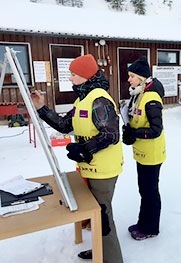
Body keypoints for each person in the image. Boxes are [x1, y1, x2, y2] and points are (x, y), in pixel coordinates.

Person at [31, 54, 124, 263]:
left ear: (85, 75)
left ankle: (112, 259)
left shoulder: (99, 99)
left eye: (73, 75)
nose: (70, 79)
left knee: (103, 217)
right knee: (96, 216)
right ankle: (101, 250)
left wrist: (84, 149)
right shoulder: (83, 98)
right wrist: (42, 109)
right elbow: (65, 125)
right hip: (90, 167)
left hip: (103, 170)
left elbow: (111, 134)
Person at [122, 56, 166, 240]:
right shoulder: (139, 95)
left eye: (132, 76)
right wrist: (128, 128)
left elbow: (156, 130)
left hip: (152, 155)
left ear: (142, 78)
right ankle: (143, 222)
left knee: (150, 192)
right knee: (144, 190)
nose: (129, 79)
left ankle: (150, 228)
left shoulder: (151, 98)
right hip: (142, 153)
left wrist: (135, 133)